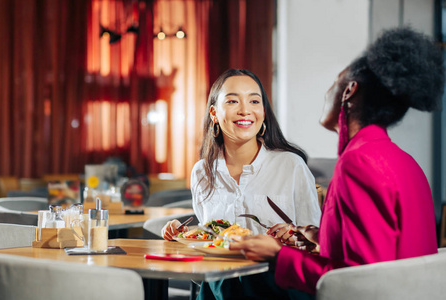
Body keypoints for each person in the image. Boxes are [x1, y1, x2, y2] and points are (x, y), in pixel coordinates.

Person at [230, 27, 444, 295]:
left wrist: (277, 255)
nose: (328, 90)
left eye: (335, 81)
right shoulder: (406, 162)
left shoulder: (358, 163)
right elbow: (386, 253)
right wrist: (319, 236)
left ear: (349, 92)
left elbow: (358, 281)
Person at [162, 68, 321, 299]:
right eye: (233, 100)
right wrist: (185, 235)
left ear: (263, 112)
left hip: (278, 287)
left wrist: (293, 237)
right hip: (218, 287)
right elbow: (209, 244)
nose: (245, 110)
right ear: (214, 113)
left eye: (254, 101)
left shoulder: (291, 165)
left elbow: (316, 247)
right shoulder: (201, 172)